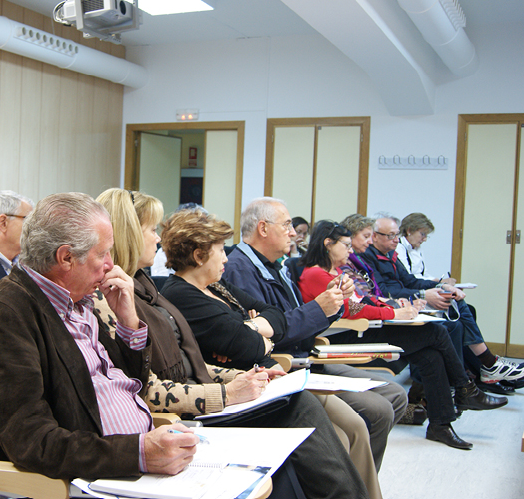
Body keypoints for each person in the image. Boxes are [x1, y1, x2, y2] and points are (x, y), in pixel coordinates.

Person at [95, 189, 368, 499]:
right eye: (151, 230)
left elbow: (199, 356)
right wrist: (229, 388)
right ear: (130, 234)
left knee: (320, 413)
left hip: (212, 389)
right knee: (303, 407)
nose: (157, 240)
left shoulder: (146, 286)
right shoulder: (135, 295)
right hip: (193, 412)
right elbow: (151, 385)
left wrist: (238, 375)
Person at [0, 192, 200, 483]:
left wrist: (128, 321)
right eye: (103, 254)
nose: (111, 265)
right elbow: (33, 443)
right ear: (66, 257)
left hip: (135, 466)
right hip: (88, 479)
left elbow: (131, 385)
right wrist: (139, 453)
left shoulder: (79, 301)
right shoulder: (4, 316)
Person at [224, 197, 407, 474]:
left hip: (306, 354)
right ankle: (353, 483)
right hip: (289, 363)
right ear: (263, 228)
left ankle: (356, 480)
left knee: (396, 391)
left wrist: (334, 306)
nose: (293, 232)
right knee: (378, 409)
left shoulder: (287, 267)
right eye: (286, 225)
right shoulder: (252, 270)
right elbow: (270, 332)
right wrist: (326, 307)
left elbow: (317, 315)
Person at [296, 219, 506, 449]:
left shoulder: (335, 271)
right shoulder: (316, 274)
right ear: (328, 244)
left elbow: (364, 299)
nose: (349, 250)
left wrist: (394, 307)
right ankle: (466, 389)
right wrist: (392, 313)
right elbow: (350, 310)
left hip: (361, 328)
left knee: (430, 357)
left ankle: (441, 424)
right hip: (340, 336)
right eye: (345, 245)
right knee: (436, 333)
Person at [362, 215, 524, 387]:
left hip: (409, 300)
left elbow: (410, 280)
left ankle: (476, 372)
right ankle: (481, 368)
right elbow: (386, 291)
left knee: (456, 306)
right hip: (397, 307)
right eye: (391, 236)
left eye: (397, 235)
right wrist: (424, 294)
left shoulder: (390, 254)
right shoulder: (369, 257)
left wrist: (440, 286)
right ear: (375, 236)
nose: (396, 240)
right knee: (455, 317)